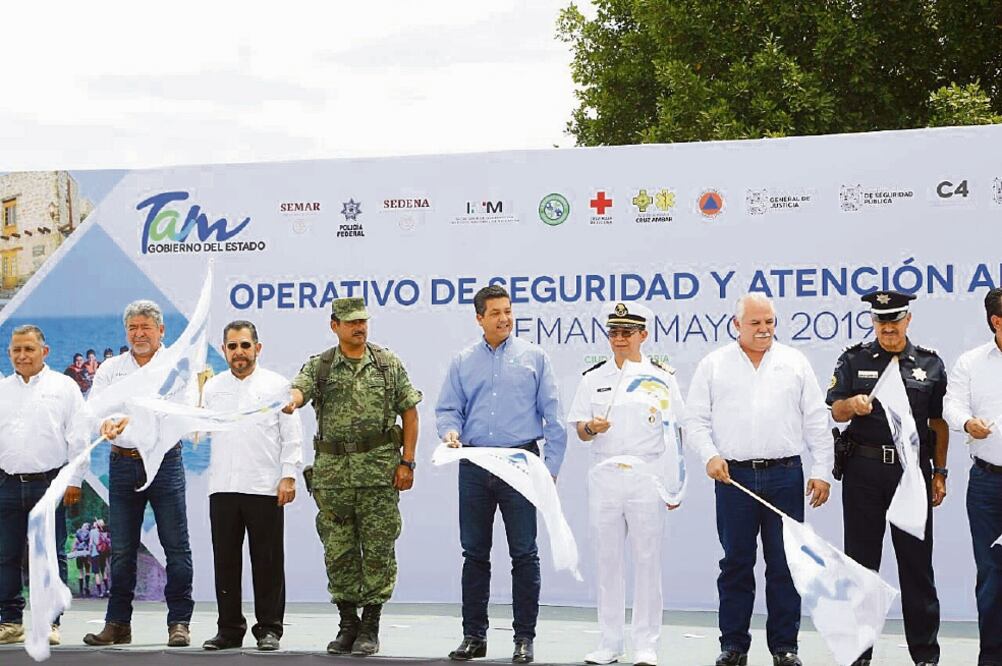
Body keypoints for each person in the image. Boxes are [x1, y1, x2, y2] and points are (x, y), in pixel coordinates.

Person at [685, 294, 832, 666]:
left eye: (769, 322)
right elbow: (695, 420)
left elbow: (816, 420)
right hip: (734, 479)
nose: (764, 329)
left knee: (784, 565)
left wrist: (821, 471)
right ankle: (733, 646)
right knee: (736, 563)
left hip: (786, 476)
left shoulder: (795, 362)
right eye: (755, 323)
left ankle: (785, 648)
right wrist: (710, 455)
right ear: (737, 325)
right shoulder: (713, 365)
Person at [436, 285, 567, 665]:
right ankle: (473, 637)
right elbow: (448, 410)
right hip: (475, 464)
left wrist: (550, 470)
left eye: (508, 311)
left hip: (520, 463)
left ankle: (524, 639)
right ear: (479, 318)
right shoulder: (463, 361)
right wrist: (449, 431)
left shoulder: (535, 358)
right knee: (474, 553)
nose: (504, 318)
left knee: (524, 553)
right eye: (495, 313)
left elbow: (554, 418)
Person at [286, 297, 421, 656]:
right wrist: (292, 400)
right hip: (334, 480)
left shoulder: (387, 363)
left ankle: (370, 626)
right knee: (339, 552)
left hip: (379, 476)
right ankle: (348, 623)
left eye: (363, 321)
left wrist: (407, 462)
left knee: (378, 551)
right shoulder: (321, 366)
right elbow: (299, 390)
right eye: (351, 322)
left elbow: (410, 413)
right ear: (335, 326)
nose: (359, 327)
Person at [827, 290, 947, 666]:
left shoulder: (929, 363)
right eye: (881, 321)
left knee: (916, 567)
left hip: (912, 473)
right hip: (864, 472)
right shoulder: (854, 359)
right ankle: (859, 654)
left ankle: (925, 656)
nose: (888, 328)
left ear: (907, 320)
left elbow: (938, 423)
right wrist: (852, 404)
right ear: (873, 322)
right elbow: (836, 410)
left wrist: (940, 473)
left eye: (894, 320)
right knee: (861, 566)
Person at [567, 303, 685, 666]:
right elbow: (580, 429)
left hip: (647, 474)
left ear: (643, 335)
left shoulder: (661, 377)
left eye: (627, 332)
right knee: (607, 560)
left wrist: (675, 483)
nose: (619, 339)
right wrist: (591, 427)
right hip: (605, 474)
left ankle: (646, 644)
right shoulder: (593, 377)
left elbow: (675, 433)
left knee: (647, 560)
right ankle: (610, 642)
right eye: (613, 332)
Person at [82, 300, 194, 648]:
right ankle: (117, 624)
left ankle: (179, 623)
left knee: (176, 546)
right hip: (122, 462)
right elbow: (93, 411)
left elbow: (181, 412)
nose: (139, 333)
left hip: (165, 461)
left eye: (146, 327)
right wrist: (104, 424)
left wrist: (138, 420)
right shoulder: (111, 369)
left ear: (161, 330)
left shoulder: (178, 366)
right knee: (122, 550)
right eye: (133, 328)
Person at [201, 320, 303, 652]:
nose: (239, 352)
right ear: (224, 351)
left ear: (257, 348)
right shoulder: (211, 387)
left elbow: (291, 435)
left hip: (264, 486)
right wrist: (192, 404)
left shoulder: (277, 385)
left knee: (268, 562)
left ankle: (269, 629)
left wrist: (288, 475)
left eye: (245, 345)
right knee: (225, 562)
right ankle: (229, 629)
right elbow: (197, 432)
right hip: (223, 487)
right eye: (232, 346)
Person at [0, 324, 87, 646]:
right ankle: (10, 622)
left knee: (49, 555)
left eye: (29, 349)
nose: (22, 355)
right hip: (6, 484)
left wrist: (75, 480)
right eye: (16, 350)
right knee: (5, 557)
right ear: (9, 353)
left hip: (50, 484)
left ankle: (50, 623)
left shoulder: (64, 387)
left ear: (44, 351)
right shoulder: (2, 389)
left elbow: (78, 436)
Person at [943, 288, 1002, 666]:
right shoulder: (971, 362)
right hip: (988, 484)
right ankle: (992, 658)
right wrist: (967, 423)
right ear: (997, 322)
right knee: (992, 573)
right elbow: (952, 405)